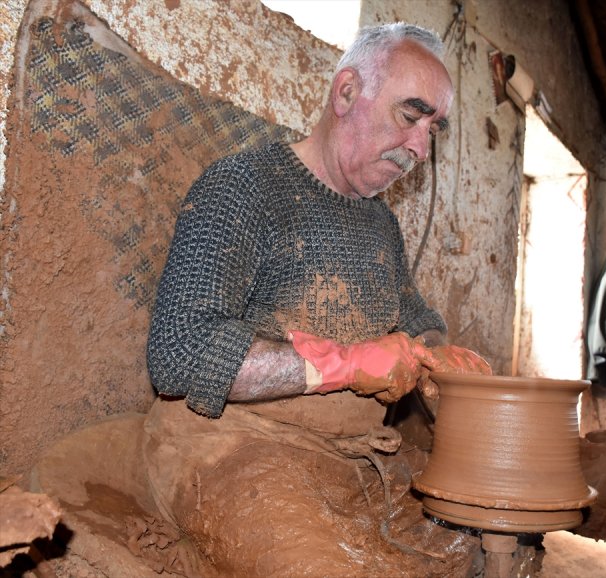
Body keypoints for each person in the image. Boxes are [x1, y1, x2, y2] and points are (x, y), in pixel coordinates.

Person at [143, 22, 492, 577]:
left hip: (352, 460)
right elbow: (178, 355)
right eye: (411, 115)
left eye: (435, 128)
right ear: (347, 92)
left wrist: (438, 356)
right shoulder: (244, 186)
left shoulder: (381, 224)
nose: (422, 148)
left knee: (483, 544)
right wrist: (345, 363)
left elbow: (418, 319)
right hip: (236, 449)